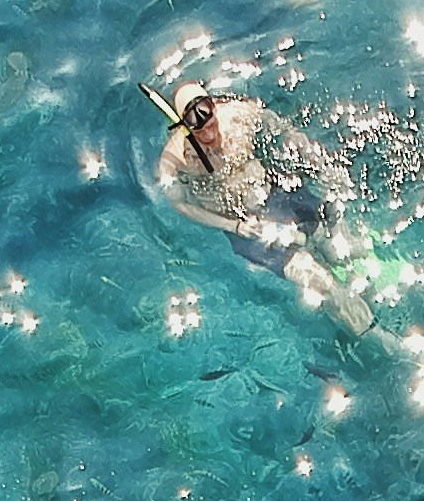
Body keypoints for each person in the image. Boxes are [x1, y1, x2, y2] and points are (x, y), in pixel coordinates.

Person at [155, 85, 377, 337]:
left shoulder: (238, 115)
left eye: (210, 120)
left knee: (337, 249)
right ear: (184, 127)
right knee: (322, 283)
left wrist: (321, 165)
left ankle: (365, 279)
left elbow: (284, 130)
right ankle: (378, 338)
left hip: (273, 193)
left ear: (214, 106)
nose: (208, 133)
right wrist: (234, 226)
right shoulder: (176, 159)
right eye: (198, 128)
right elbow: (180, 205)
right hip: (244, 227)